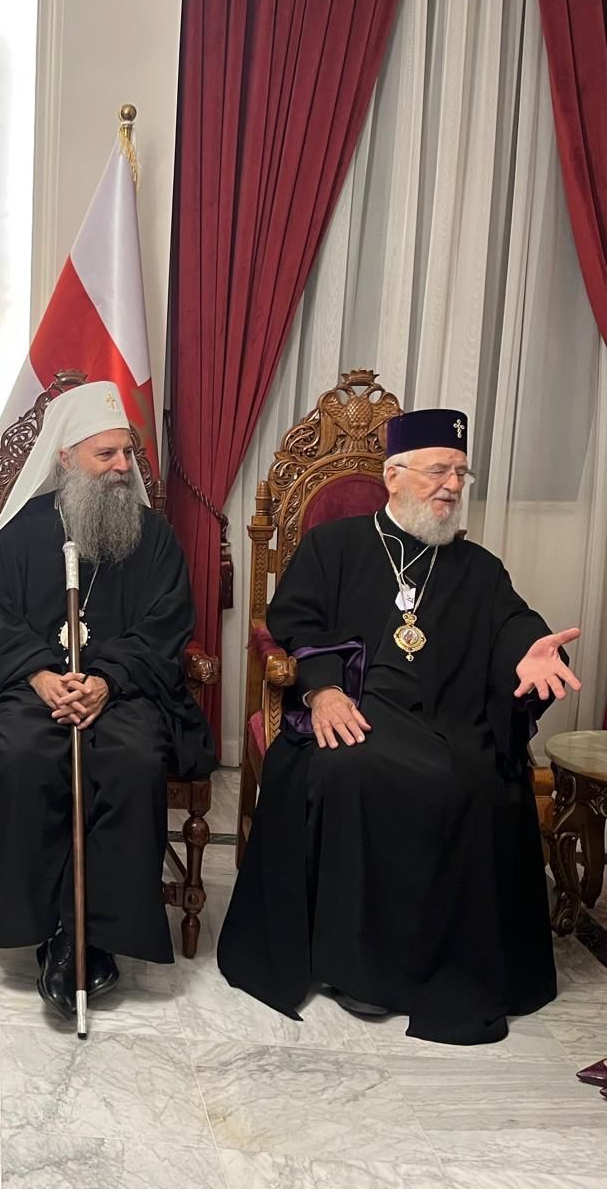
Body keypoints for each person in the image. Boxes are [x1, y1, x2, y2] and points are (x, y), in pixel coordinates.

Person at [219, 408, 580, 1045]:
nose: (452, 485)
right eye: (438, 471)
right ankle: (356, 969)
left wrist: (529, 652)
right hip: (359, 708)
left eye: (461, 474)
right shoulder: (335, 547)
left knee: (475, 783)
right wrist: (324, 691)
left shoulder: (478, 567)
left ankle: (433, 964)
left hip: (449, 721)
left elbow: (512, 622)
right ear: (394, 476)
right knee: (347, 768)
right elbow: (293, 622)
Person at [0, 382, 214, 1019]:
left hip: (123, 692)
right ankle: (45, 927)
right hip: (35, 689)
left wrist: (106, 681)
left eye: (127, 454)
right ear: (66, 458)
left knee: (132, 758)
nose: (123, 467)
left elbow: (167, 625)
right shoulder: (22, 535)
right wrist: (41, 676)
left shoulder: (154, 538)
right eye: (106, 455)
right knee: (22, 753)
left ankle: (99, 934)